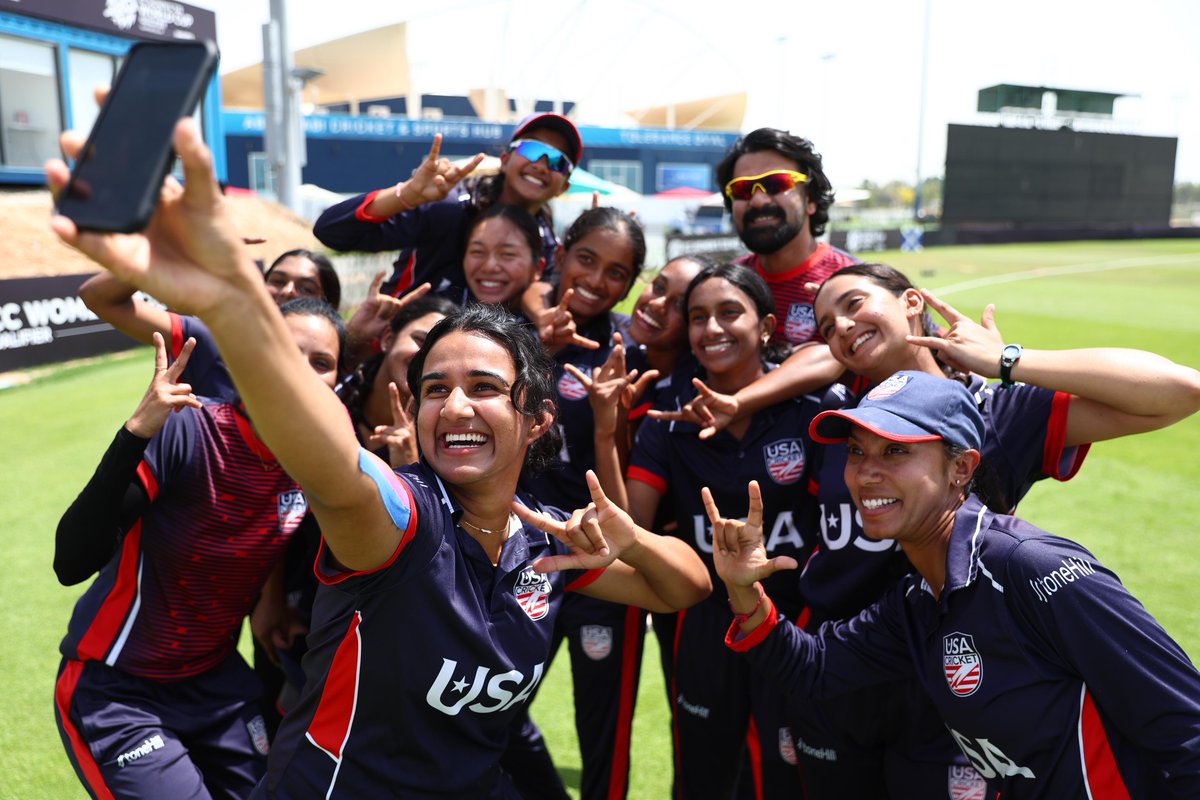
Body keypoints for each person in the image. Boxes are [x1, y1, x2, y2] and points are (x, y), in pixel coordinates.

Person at [45, 117, 710, 798]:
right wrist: (235, 305)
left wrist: (630, 538)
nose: (453, 408)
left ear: (537, 420)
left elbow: (686, 586)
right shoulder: (400, 515)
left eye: (483, 389)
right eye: (433, 390)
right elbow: (332, 462)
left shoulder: (541, 540)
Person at [775, 261, 1200, 798]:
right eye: (826, 323)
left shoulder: (998, 408)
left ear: (912, 302)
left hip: (964, 679)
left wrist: (1007, 361)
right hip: (846, 661)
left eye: (853, 304)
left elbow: (1180, 391)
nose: (839, 327)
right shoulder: (836, 413)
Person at [53, 298, 345, 800]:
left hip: (217, 685)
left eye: (321, 362)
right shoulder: (188, 428)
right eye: (283, 351)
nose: (300, 372)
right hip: (120, 689)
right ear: (248, 356)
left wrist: (271, 598)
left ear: (338, 382)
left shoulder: (323, 457)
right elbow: (71, 561)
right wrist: (136, 433)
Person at [615, 263, 820, 799]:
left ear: (768, 328)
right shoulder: (671, 414)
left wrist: (745, 402)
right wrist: (605, 428)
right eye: (699, 316)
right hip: (706, 624)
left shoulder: (808, 406)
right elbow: (633, 525)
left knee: (785, 777)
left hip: (793, 622)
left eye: (730, 313)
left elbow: (833, 356)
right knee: (702, 775)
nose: (711, 329)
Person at [520, 206, 649, 800]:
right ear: (562, 254)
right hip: (520, 560)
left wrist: (608, 421)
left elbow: (623, 467)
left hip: (599, 561)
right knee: (490, 710)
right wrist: (534, 348)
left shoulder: (630, 351)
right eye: (587, 260)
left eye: (617, 272)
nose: (598, 280)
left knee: (605, 727)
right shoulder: (510, 335)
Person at [313, 113, 579, 298]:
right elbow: (331, 230)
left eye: (557, 162)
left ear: (564, 185)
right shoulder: (448, 206)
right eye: (531, 150)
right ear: (505, 159)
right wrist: (406, 194)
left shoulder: (546, 242)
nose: (541, 164)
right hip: (397, 349)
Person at [79, 248, 342, 400]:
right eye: (277, 280)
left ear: (327, 303)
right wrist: (167, 251)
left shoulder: (334, 365)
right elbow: (99, 299)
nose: (287, 291)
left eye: (306, 287)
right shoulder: (211, 340)